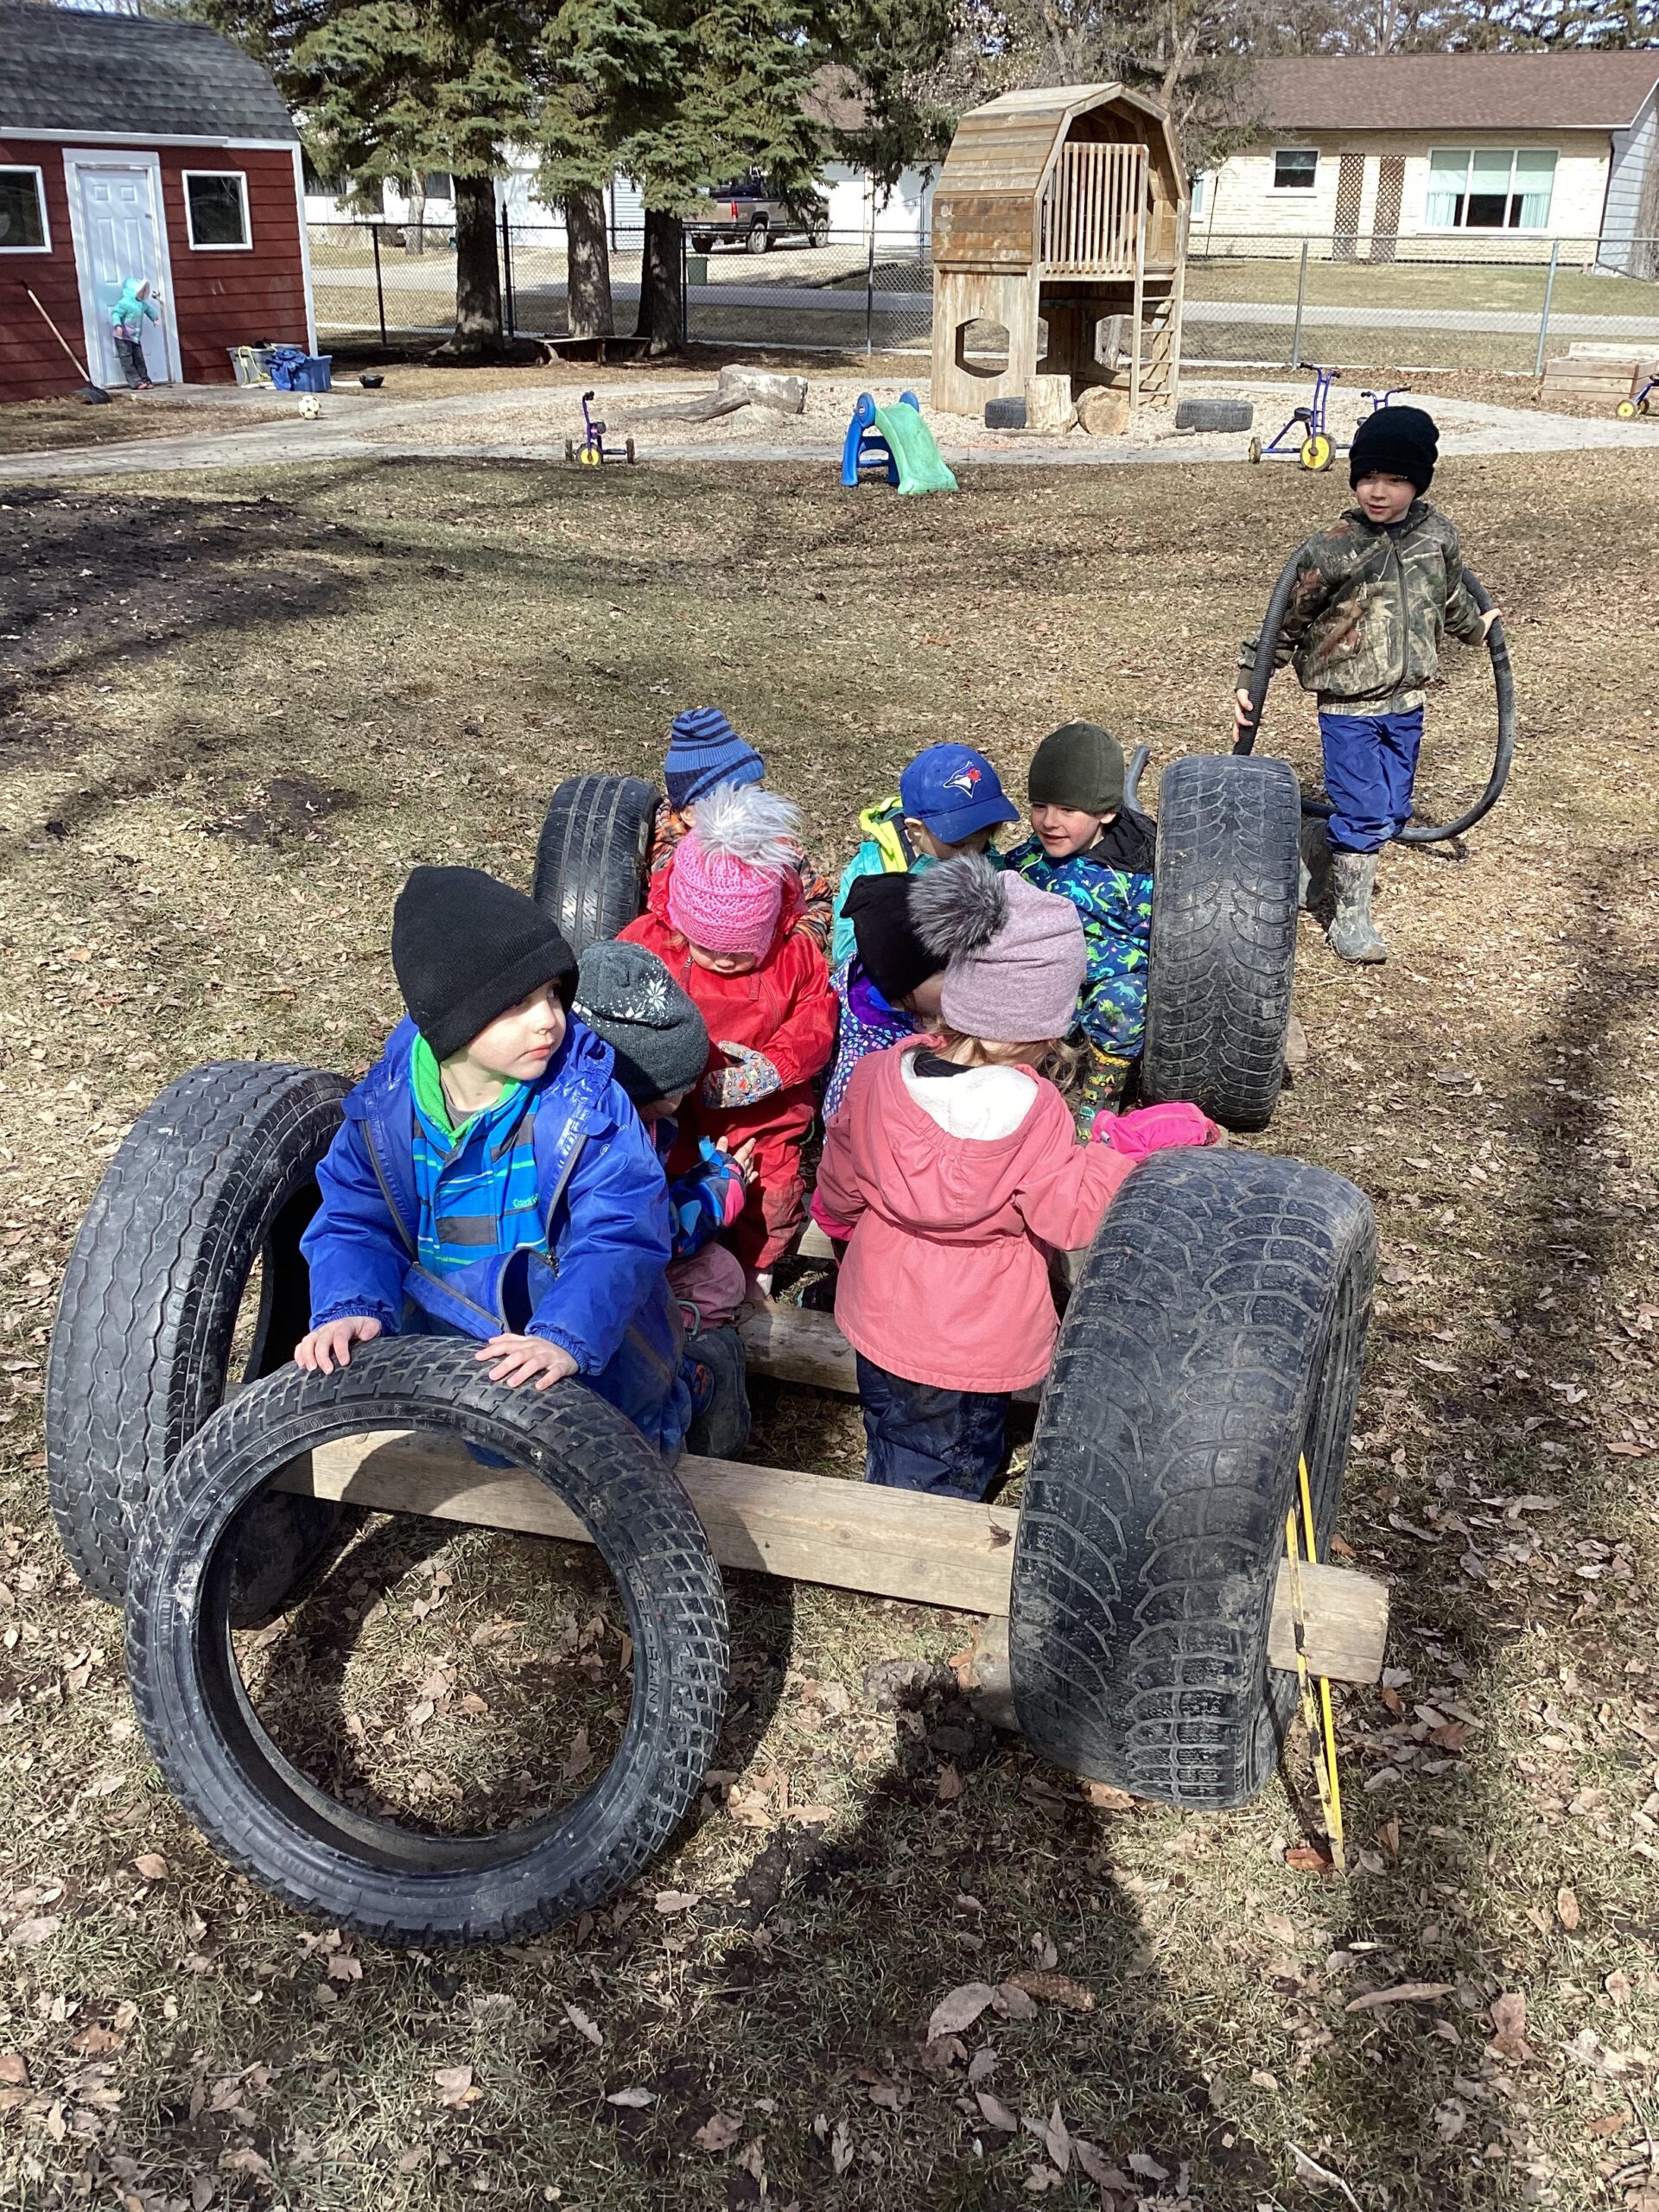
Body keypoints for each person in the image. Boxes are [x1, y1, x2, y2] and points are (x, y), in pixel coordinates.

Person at [814, 855, 1215, 1499]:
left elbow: (841, 1177)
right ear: (1043, 1019)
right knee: (957, 1445)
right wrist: (1119, 1148)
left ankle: (889, 1487)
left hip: (881, 1304)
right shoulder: (1035, 1112)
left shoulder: (878, 1076)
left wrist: (837, 1226)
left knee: (893, 1416)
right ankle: (925, 1524)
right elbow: (1067, 1215)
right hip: (973, 1333)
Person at [294, 867, 691, 1456]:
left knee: (634, 1439)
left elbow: (622, 1233)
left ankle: (701, 1389)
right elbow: (355, 1221)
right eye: (518, 1003)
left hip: (591, 1345)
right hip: (456, 1341)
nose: (549, 1019)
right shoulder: (386, 1115)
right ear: (455, 1015)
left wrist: (566, 1334)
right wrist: (351, 1304)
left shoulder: (585, 1106)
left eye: (554, 993)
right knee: (492, 1446)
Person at [1234, 404, 1503, 964]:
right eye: (1368, 478)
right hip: (1347, 706)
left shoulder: (1437, 536)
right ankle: (1350, 920)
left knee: (1392, 813)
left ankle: (1314, 848)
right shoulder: (1332, 546)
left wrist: (1477, 630)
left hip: (1407, 701)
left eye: (1395, 480)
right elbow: (1286, 618)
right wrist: (1250, 682)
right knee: (1363, 811)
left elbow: (1448, 597)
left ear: (1419, 482)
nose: (1378, 492)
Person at [620, 781, 836, 1292]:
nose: (722, 960)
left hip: (758, 1106)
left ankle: (755, 1269)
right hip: (673, 1101)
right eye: (707, 946)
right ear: (679, 920)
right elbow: (611, 997)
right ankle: (676, 1255)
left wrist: (773, 1070)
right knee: (667, 1168)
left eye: (740, 952)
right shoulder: (651, 944)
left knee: (772, 1183)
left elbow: (815, 1020)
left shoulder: (793, 958)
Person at [571, 938, 754, 1453]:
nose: (683, 1098)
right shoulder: (612, 1150)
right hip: (601, 1285)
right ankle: (686, 1361)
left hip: (573, 1272)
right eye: (674, 1088)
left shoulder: (599, 1117)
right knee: (720, 1274)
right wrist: (724, 1186)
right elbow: (658, 1231)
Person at [1002, 721, 1154, 1128]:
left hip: (1110, 978)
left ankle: (1098, 1109)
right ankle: (1018, 1092)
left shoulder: (1139, 872)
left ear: (1106, 812)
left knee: (1122, 1002)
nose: (1049, 822)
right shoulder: (1028, 860)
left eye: (1068, 810)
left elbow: (1169, 940)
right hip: (1046, 974)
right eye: (1040, 806)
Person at [649, 706, 832, 953]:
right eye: (736, 797)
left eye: (756, 790)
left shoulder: (775, 843)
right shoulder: (662, 858)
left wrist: (795, 953)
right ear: (690, 813)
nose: (753, 807)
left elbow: (817, 900)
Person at [830, 742, 1018, 966]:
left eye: (982, 842)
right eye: (957, 844)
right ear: (916, 828)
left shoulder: (994, 865)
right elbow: (846, 952)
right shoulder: (873, 869)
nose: (971, 855)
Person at [823, 872, 945, 1122]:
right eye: (946, 971)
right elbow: (845, 1138)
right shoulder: (865, 1064)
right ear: (904, 980)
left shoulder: (873, 967)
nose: (967, 979)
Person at [110, 278, 160, 391]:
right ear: (132, 291)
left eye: (143, 292)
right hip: (122, 336)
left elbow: (149, 310)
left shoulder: (141, 304)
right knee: (127, 359)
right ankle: (135, 382)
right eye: (140, 292)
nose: (142, 295)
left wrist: (155, 318)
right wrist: (117, 325)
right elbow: (116, 313)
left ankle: (145, 379)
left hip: (135, 336)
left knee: (139, 358)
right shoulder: (124, 303)